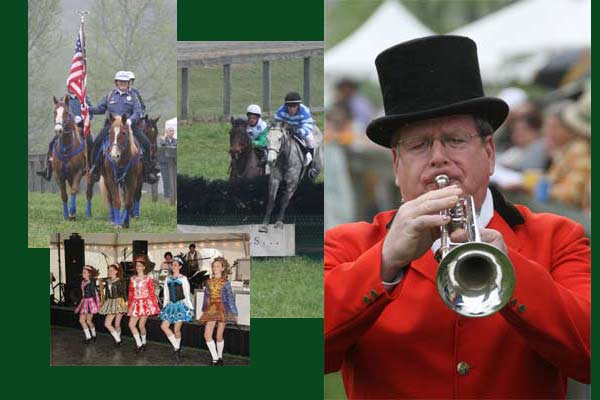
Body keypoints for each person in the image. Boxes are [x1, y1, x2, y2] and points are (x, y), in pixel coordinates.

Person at [324, 36, 590, 399]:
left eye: (455, 140)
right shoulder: (348, 246)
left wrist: (513, 271)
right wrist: (383, 263)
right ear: (396, 165)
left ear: (490, 153)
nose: (438, 158)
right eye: (418, 145)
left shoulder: (558, 238)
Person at [88, 71, 158, 184]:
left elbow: (138, 111)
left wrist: (131, 120)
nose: (123, 84)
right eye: (120, 82)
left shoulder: (133, 96)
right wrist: (87, 108)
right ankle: (95, 168)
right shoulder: (109, 95)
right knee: (97, 142)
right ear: (116, 83)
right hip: (111, 126)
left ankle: (148, 171)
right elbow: (100, 109)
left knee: (145, 143)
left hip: (128, 126)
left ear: (128, 83)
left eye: (125, 82)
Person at [37, 83, 94, 181]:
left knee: (90, 141)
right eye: (70, 86)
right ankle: (48, 168)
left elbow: (91, 113)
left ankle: (92, 167)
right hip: (66, 129)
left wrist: (82, 119)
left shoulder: (84, 98)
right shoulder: (63, 99)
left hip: (81, 127)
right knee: (52, 143)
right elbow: (58, 114)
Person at [199, 257, 238, 366]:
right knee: (207, 335)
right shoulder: (208, 282)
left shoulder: (226, 282)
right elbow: (206, 297)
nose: (215, 268)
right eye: (214, 266)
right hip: (211, 309)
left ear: (222, 268)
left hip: (223, 309)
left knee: (219, 336)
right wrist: (204, 310)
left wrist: (234, 312)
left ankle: (220, 357)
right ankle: (215, 359)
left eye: (217, 266)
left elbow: (230, 298)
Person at [274, 92, 319, 178]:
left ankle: (311, 167)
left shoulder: (304, 111)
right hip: (286, 131)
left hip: (300, 129)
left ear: (298, 106)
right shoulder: (281, 110)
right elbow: (277, 122)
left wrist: (298, 131)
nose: (291, 109)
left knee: (310, 140)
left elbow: (308, 125)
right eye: (289, 107)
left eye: (294, 107)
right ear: (286, 106)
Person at [159, 257, 194, 361]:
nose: (173, 267)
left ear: (180, 266)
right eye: (172, 265)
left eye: (175, 265)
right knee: (164, 326)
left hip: (181, 306)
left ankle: (176, 350)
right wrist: (164, 306)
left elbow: (187, 294)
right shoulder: (167, 278)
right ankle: (177, 347)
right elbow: (166, 294)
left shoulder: (183, 279)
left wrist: (190, 308)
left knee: (176, 329)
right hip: (170, 306)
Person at [127, 255, 160, 353]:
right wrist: (129, 305)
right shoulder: (132, 279)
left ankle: (144, 342)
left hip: (145, 303)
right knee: (131, 325)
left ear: (144, 267)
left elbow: (152, 292)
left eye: (140, 266)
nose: (138, 267)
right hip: (135, 303)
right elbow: (131, 293)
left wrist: (154, 305)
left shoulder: (148, 278)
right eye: (137, 265)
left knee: (141, 325)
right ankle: (139, 343)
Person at [98, 263, 127, 346]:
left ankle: (118, 340)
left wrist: (126, 303)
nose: (109, 272)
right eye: (109, 270)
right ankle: (118, 340)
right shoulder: (108, 281)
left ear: (116, 271)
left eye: (111, 270)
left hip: (119, 302)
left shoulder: (120, 281)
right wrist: (103, 303)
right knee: (108, 323)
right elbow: (107, 294)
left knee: (116, 324)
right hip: (110, 303)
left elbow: (124, 293)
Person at [74, 265, 100, 344]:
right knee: (81, 320)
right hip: (84, 302)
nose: (83, 274)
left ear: (89, 274)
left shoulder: (91, 283)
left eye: (84, 272)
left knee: (88, 321)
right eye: (83, 272)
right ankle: (88, 337)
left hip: (90, 303)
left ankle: (94, 335)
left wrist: (98, 305)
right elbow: (83, 294)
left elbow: (95, 294)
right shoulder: (83, 282)